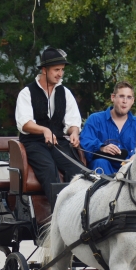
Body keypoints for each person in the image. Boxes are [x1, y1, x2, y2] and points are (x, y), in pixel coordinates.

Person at [14, 47, 84, 203]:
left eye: (62, 70)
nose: (60, 74)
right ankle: (58, 216)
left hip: (58, 142)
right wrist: (44, 130)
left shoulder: (65, 92)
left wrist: (74, 132)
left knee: (77, 170)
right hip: (33, 143)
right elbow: (24, 123)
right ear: (44, 70)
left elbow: (73, 121)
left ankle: (78, 213)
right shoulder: (27, 92)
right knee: (49, 170)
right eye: (56, 70)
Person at [80, 81, 136, 174]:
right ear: (113, 97)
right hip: (103, 171)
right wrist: (102, 148)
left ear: (132, 101)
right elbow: (85, 141)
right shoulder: (95, 119)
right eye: (121, 96)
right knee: (100, 162)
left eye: (129, 97)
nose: (125, 101)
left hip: (131, 172)